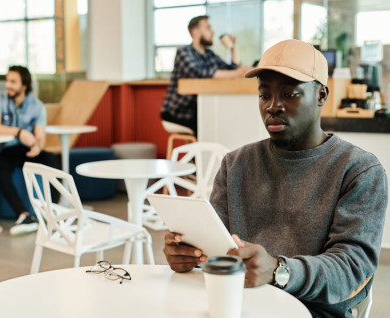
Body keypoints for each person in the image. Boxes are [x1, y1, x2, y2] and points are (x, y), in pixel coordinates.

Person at [163, 39, 388, 317]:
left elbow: (351, 271)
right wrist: (189, 255)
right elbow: (215, 247)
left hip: (313, 310)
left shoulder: (359, 170)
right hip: (236, 303)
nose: (273, 106)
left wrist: (279, 271)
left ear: (321, 96)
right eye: (264, 95)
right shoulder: (235, 164)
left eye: (290, 94)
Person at [0, 65, 59, 236]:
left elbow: (41, 137)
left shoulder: (37, 106)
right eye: (7, 81)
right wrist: (19, 132)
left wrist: (37, 147)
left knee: (51, 160)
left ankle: (53, 212)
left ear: (24, 85)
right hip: (2, 149)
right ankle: (24, 215)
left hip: (24, 151)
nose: (8, 85)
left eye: (13, 82)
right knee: (0, 166)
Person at [160, 15, 250, 135]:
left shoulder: (209, 54)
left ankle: (204, 153)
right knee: (211, 126)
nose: (212, 31)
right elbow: (201, 73)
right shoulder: (183, 52)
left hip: (198, 110)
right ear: (195, 32)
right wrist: (238, 72)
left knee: (219, 120)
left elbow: (231, 70)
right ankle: (199, 154)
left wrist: (233, 48)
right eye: (208, 28)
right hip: (178, 112)